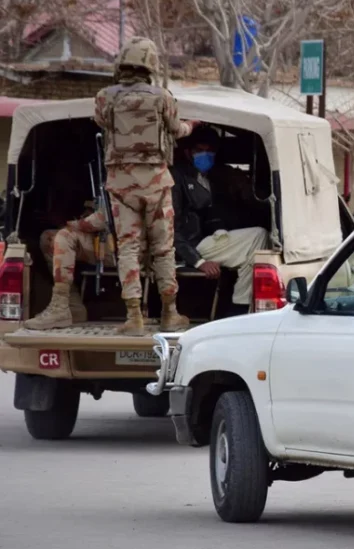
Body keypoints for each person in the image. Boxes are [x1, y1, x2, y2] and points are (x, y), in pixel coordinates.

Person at [94, 36, 195, 335]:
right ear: (151, 65)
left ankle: (134, 317)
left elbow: (101, 122)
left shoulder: (105, 96)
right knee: (163, 250)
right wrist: (192, 126)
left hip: (121, 185)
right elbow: (176, 129)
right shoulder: (162, 97)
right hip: (156, 184)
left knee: (128, 248)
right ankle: (169, 313)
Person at [172, 125, 269, 313]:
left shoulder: (211, 178)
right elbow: (170, 228)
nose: (205, 155)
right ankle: (239, 309)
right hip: (191, 246)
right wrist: (198, 261)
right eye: (199, 150)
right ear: (188, 152)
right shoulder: (177, 178)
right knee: (258, 237)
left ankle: (240, 306)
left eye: (209, 151)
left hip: (209, 239)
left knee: (257, 251)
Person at [23, 206, 120, 330]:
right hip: (110, 242)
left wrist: (74, 224)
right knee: (50, 238)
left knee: (64, 235)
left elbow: (100, 220)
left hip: (129, 246)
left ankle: (60, 309)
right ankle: (71, 308)